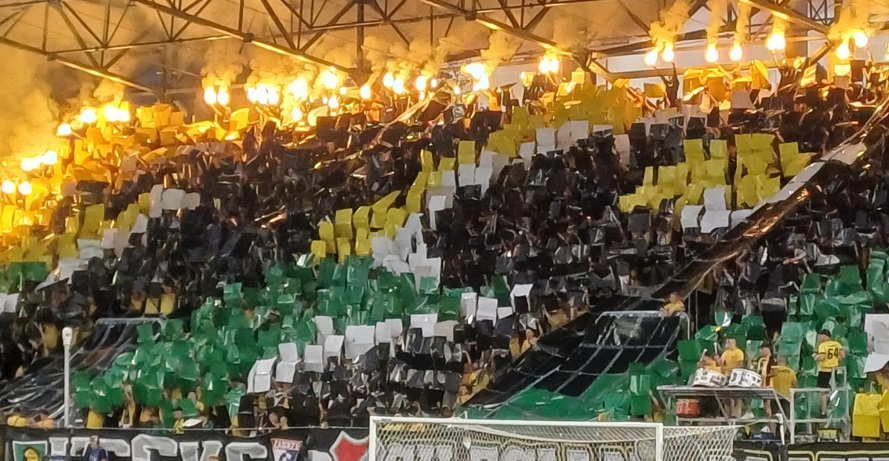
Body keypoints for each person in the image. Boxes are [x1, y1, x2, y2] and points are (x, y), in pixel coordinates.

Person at [814, 330, 844, 416]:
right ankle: (829, 404)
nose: (819, 338)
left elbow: (822, 357)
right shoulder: (837, 344)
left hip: (824, 370)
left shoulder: (823, 345)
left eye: (820, 336)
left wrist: (815, 357)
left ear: (824, 336)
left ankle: (823, 411)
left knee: (822, 391)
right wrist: (835, 361)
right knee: (830, 388)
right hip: (834, 370)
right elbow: (842, 355)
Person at [768, 356, 797, 434]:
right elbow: (795, 386)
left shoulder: (773, 371)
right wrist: (795, 396)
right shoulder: (791, 372)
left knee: (774, 416)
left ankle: (772, 434)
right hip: (786, 397)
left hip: (774, 396)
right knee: (786, 417)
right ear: (786, 363)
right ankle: (784, 434)